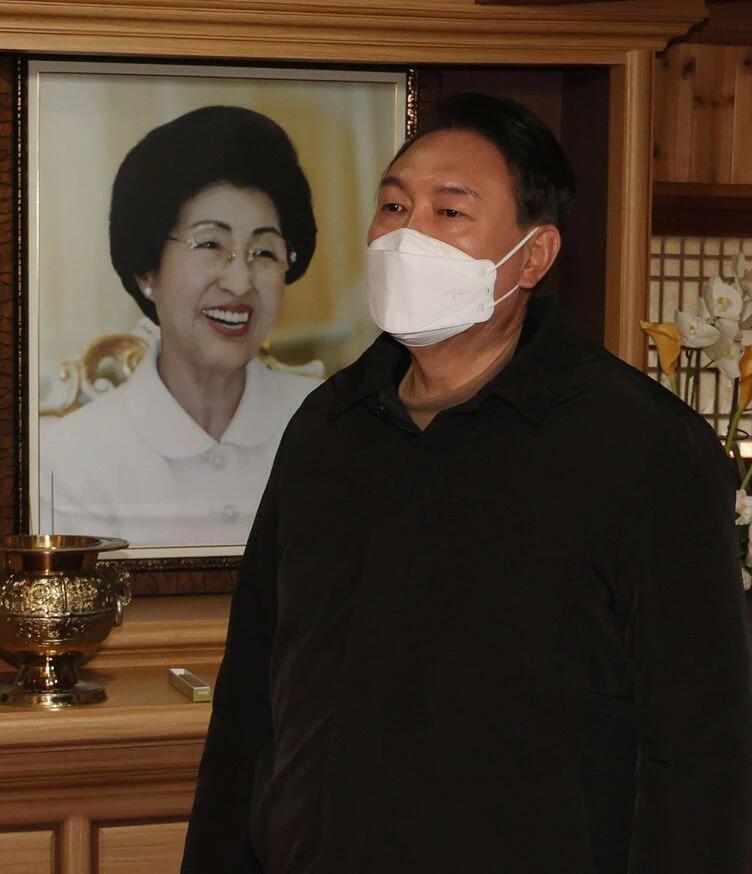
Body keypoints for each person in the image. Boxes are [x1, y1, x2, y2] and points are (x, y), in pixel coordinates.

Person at [183, 93, 752, 872]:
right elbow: (252, 698)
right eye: (394, 206)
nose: (406, 234)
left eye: (449, 212)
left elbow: (701, 749)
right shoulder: (328, 428)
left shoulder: (641, 446)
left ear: (534, 255)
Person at [40, 106, 320, 547]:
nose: (240, 283)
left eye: (265, 252)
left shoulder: (330, 427)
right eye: (210, 244)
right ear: (147, 271)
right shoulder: (70, 458)